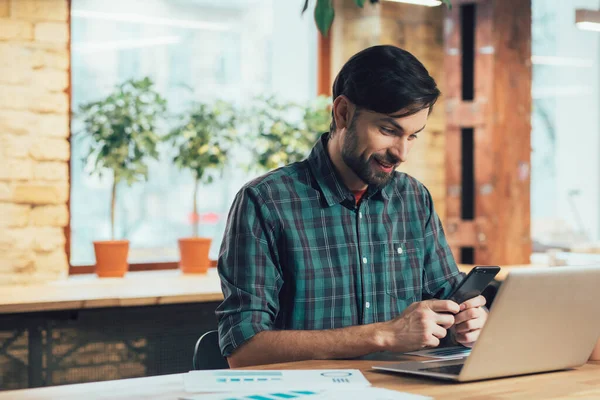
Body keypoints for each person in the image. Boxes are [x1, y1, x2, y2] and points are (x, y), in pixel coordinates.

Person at [216, 45, 488, 368]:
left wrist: (470, 320)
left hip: (402, 391)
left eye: (413, 136)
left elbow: (450, 302)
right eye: (388, 130)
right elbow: (244, 349)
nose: (402, 153)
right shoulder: (265, 203)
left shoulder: (414, 200)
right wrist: (383, 335)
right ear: (343, 113)